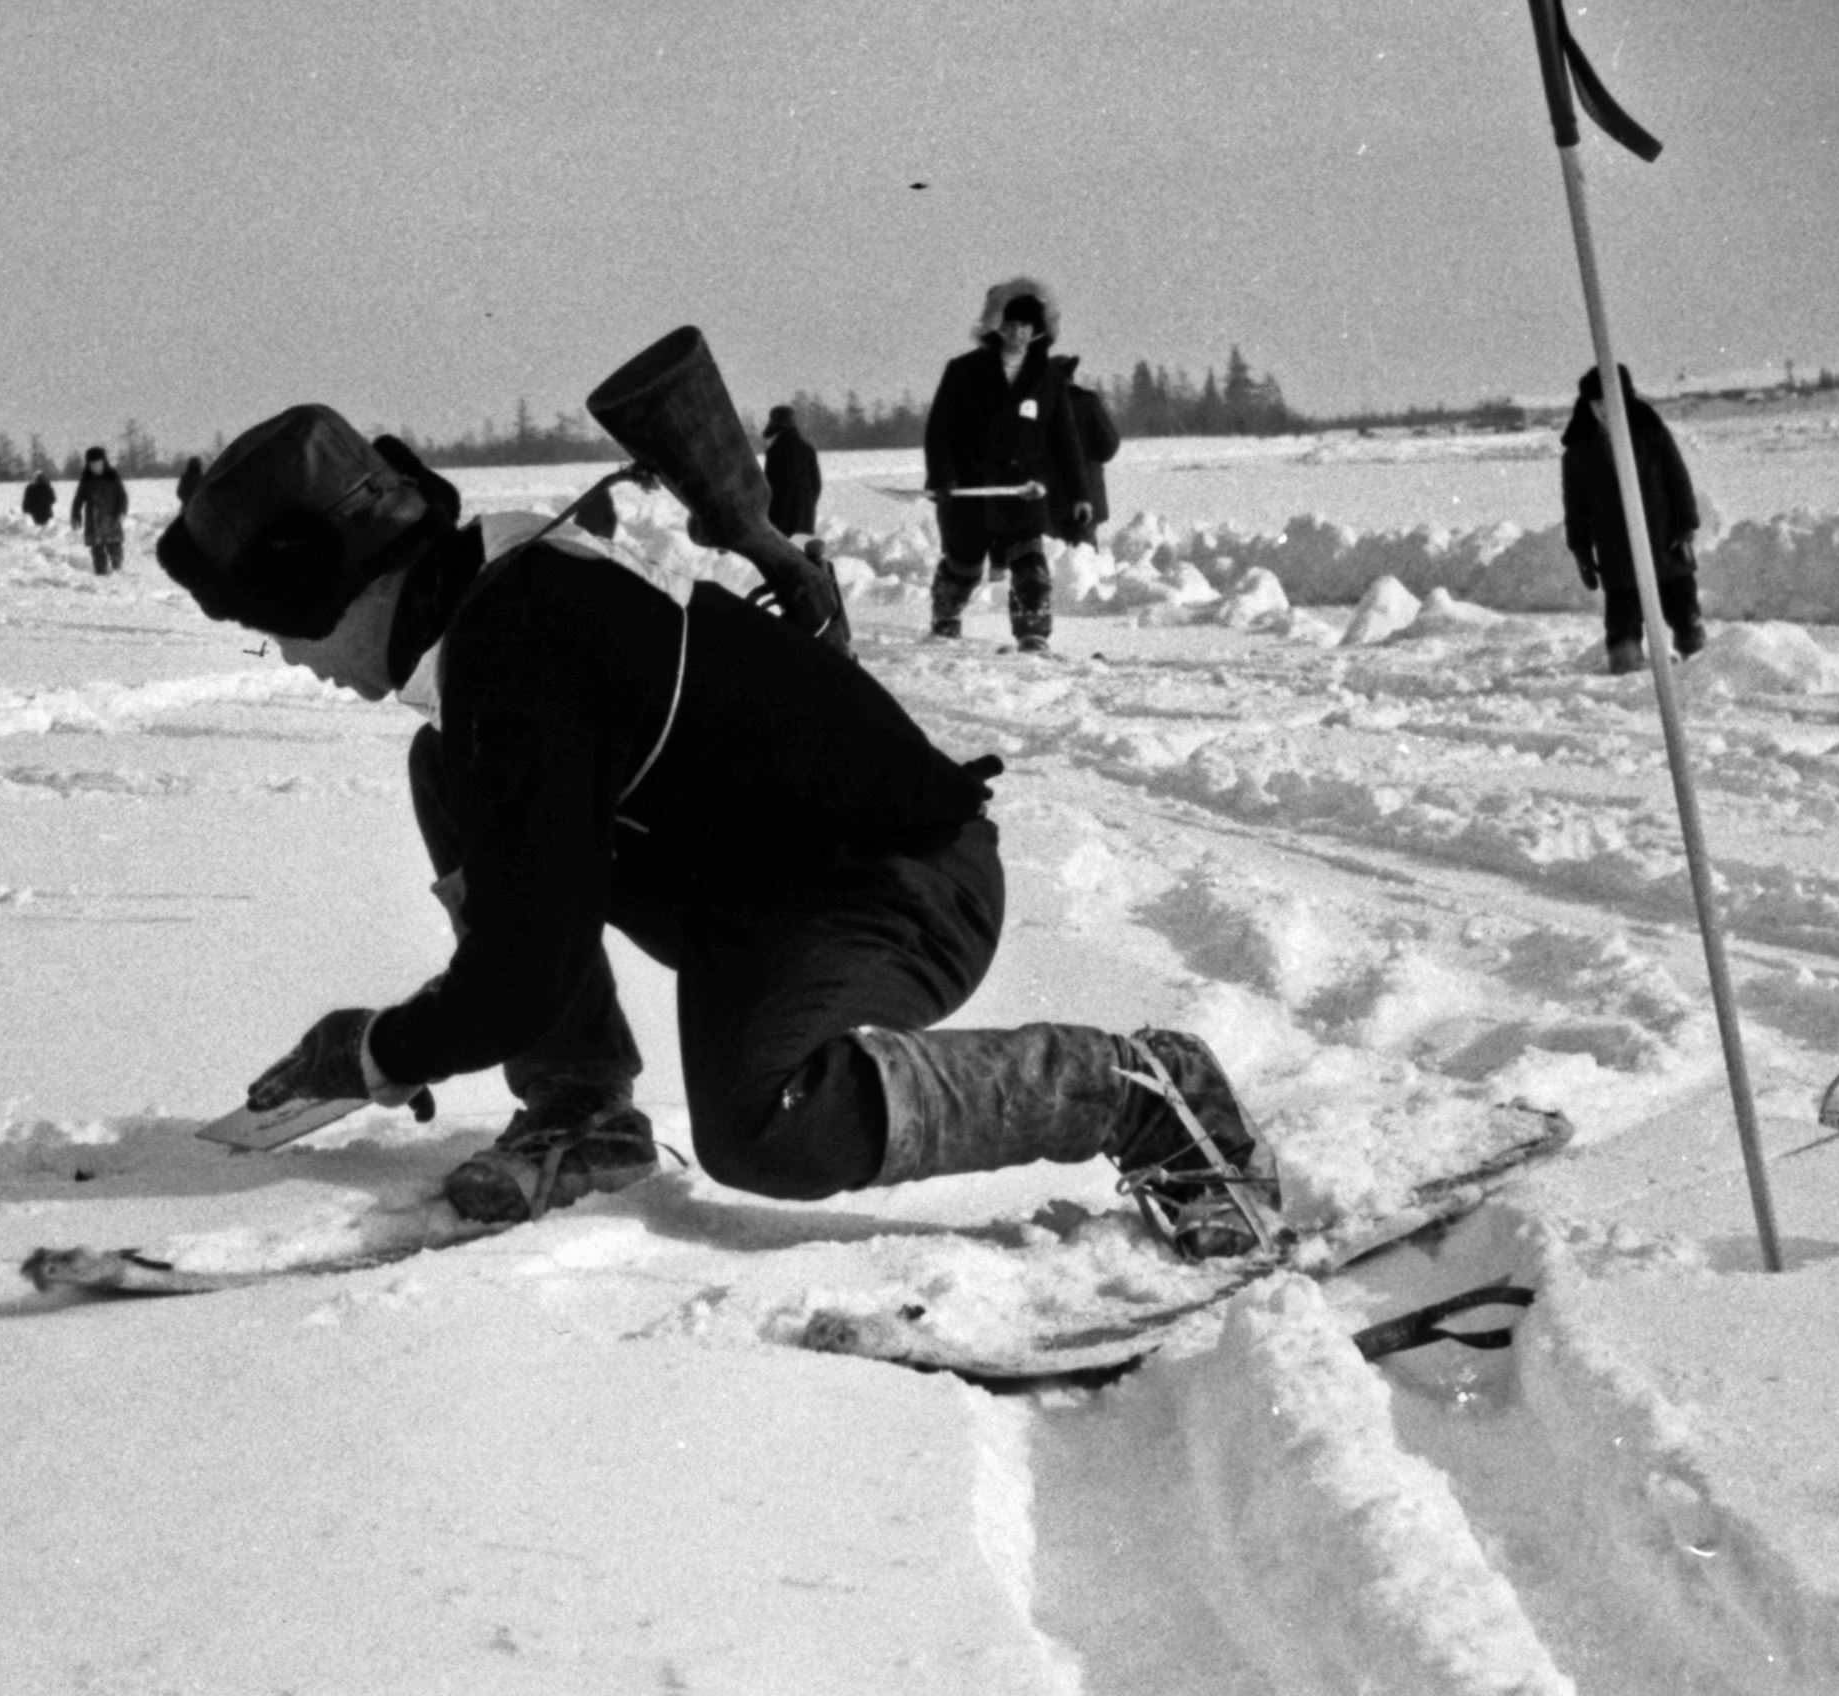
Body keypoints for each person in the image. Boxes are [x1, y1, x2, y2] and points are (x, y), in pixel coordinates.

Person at [156, 403, 1278, 1260]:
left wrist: (372, 1051)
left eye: (275, 631)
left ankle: (1137, 1089)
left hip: (889, 887)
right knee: (443, 762)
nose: (295, 661)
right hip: (763, 894)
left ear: (337, 587)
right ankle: (580, 1108)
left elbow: (523, 959)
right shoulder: (499, 594)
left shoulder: (517, 648)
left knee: (762, 1126)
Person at [920, 279, 1118, 654]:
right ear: (997, 326)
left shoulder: (1049, 378)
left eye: (1025, 326)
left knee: (1031, 568)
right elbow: (940, 429)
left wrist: (1079, 493)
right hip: (969, 491)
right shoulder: (964, 370)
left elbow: (1065, 441)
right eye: (1010, 325)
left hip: (1021, 492)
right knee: (963, 566)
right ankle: (945, 618)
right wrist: (942, 477)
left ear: (1038, 330)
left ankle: (1033, 634)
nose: (1017, 334)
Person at [1561, 364, 1706, 673]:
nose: (1603, 411)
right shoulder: (1579, 451)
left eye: (1609, 402)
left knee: (1684, 610)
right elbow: (1576, 509)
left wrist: (1685, 528)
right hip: (1617, 555)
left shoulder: (1651, 434)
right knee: (1622, 622)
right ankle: (1628, 667)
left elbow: (1678, 481)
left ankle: (1696, 664)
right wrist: (1581, 551)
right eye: (1596, 404)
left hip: (1665, 543)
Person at [761, 404, 823, 543]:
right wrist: (807, 506)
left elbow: (768, 486)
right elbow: (816, 485)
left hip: (779, 518)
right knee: (801, 556)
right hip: (805, 517)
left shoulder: (775, 450)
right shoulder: (807, 449)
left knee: (780, 560)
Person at [70, 446, 129, 575]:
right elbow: (79, 498)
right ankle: (101, 572)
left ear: (104, 462)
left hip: (111, 518)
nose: (96, 467)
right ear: (88, 465)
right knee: (97, 550)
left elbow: (122, 496)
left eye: (98, 464)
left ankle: (117, 569)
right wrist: (75, 515)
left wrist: (122, 511)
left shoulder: (112, 475)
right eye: (93, 465)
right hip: (93, 520)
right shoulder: (86, 478)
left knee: (115, 547)